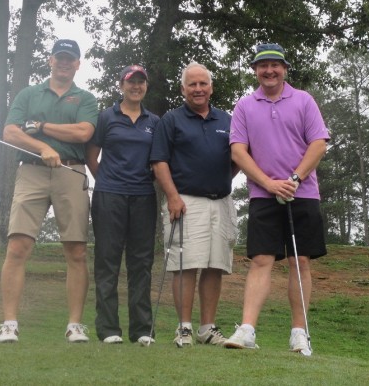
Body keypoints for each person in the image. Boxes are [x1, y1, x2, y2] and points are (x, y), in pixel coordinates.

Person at [224, 43, 329, 354]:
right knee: (261, 260)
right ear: (256, 71)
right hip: (262, 193)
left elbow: (319, 144)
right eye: (262, 65)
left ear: (284, 69)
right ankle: (247, 330)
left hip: (303, 193)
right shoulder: (244, 105)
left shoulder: (304, 100)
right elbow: (237, 151)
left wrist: (293, 179)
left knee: (301, 262)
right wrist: (270, 183)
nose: (269, 70)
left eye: (275, 65)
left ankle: (299, 333)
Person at [0, 39, 98, 344]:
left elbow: (84, 132)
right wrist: (41, 146)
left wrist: (40, 126)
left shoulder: (85, 98)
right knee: (17, 247)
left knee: (76, 251)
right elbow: (10, 131)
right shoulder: (29, 94)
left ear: (78, 64)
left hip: (71, 171)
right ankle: (10, 324)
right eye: (60, 58)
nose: (65, 63)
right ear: (51, 60)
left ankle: (75, 325)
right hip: (31, 171)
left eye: (71, 59)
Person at [150, 61, 238, 348]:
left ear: (211, 87)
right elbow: (159, 161)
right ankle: (184, 328)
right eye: (192, 84)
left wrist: (221, 179)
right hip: (185, 201)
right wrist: (173, 196)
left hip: (221, 202)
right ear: (183, 89)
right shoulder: (171, 120)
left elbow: (236, 159)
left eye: (203, 84)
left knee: (215, 265)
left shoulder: (227, 120)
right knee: (185, 264)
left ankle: (207, 329)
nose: (198, 89)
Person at [86, 65, 160, 346]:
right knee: (107, 261)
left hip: (143, 196)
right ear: (121, 85)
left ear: (145, 87)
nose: (136, 86)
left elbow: (159, 159)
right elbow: (92, 156)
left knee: (141, 263)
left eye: (141, 82)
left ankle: (142, 330)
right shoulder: (106, 117)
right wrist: (107, 180)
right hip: (109, 196)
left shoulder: (155, 121)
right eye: (131, 82)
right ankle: (108, 330)